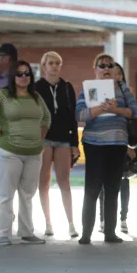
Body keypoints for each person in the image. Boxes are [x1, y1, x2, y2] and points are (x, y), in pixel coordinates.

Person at [0, 60, 51, 246]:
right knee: (6, 194)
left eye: (27, 74)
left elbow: (46, 118)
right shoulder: (3, 95)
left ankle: (26, 232)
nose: (24, 77)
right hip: (9, 152)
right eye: (19, 74)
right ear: (13, 77)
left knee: (27, 194)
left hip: (34, 152)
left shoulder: (36, 96)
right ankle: (3, 233)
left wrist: (41, 137)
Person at [75, 54, 137, 245]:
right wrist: (99, 109)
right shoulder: (87, 89)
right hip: (94, 144)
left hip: (117, 144)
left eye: (109, 65)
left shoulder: (122, 88)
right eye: (101, 66)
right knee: (92, 189)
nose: (106, 69)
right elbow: (79, 114)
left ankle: (110, 233)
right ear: (95, 69)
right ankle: (86, 233)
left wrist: (116, 109)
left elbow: (135, 111)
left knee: (113, 188)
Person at [34, 51, 80, 238]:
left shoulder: (67, 87)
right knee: (43, 182)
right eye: (51, 63)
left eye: (57, 63)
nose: (54, 66)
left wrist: (74, 143)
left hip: (63, 138)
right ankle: (48, 222)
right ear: (44, 66)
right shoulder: (36, 87)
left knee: (64, 181)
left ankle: (71, 223)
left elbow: (73, 117)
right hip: (44, 138)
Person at [96, 61, 136, 234]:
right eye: (115, 73)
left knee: (123, 182)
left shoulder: (128, 95)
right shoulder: (102, 93)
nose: (117, 76)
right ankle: (103, 219)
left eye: (120, 73)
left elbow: (133, 120)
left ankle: (123, 218)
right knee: (103, 185)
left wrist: (130, 145)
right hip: (104, 143)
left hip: (124, 143)